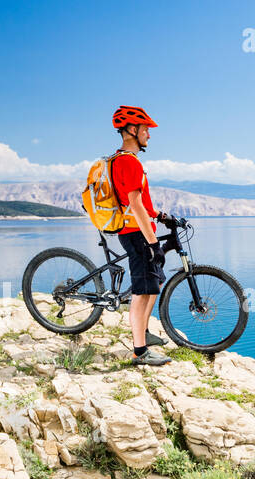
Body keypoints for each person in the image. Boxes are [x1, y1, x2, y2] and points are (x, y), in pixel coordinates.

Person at [110, 105, 171, 366]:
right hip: (136, 234)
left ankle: (143, 333)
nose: (149, 134)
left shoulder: (127, 160)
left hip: (139, 229)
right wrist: (153, 242)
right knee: (140, 291)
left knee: (154, 283)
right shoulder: (127, 162)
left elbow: (140, 203)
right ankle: (139, 352)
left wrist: (159, 215)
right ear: (132, 130)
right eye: (145, 129)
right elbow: (134, 206)